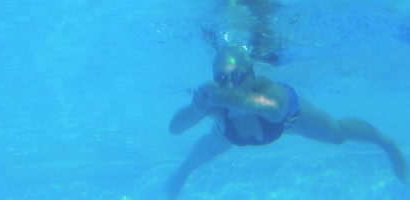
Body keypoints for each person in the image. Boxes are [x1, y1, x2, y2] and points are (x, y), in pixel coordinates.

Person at [166, 45, 408, 198]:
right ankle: (182, 172)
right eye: (221, 78)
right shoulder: (217, 103)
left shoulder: (270, 91)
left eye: (237, 76)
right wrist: (196, 108)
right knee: (211, 144)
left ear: (252, 75)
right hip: (231, 131)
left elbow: (276, 111)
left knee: (337, 134)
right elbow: (174, 129)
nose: (229, 84)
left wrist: (231, 100)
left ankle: (387, 144)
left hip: (285, 119)